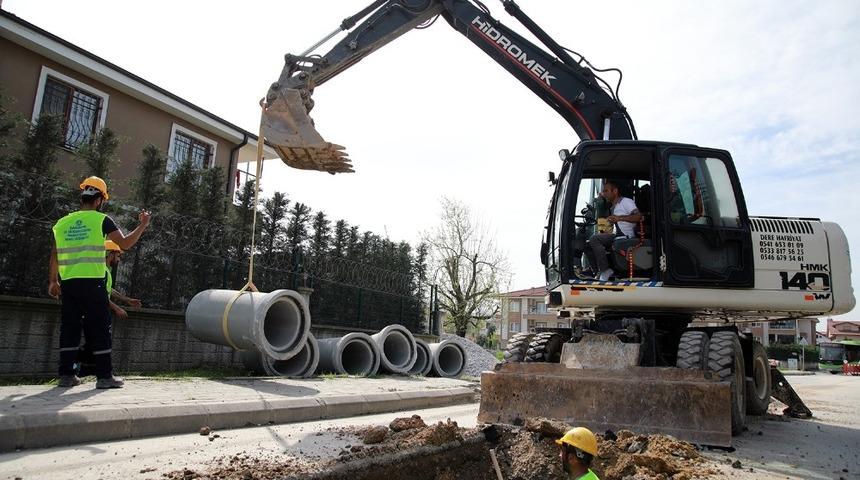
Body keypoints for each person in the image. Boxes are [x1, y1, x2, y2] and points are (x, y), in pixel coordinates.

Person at [48, 176, 150, 389]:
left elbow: (54, 255)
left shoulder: (62, 224)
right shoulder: (101, 220)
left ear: (82, 197)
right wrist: (142, 225)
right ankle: (104, 377)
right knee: (100, 328)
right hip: (93, 283)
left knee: (70, 328)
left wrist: (53, 281)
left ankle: (66, 375)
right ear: (99, 201)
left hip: (69, 284)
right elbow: (126, 243)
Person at [74, 240, 142, 378]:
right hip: (96, 311)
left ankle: (87, 369)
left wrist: (127, 300)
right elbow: (101, 295)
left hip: (98, 311)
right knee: (100, 341)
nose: (119, 259)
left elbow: (109, 290)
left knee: (95, 341)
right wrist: (117, 308)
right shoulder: (100, 271)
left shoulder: (104, 270)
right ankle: (75, 362)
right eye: (118, 255)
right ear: (110, 254)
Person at [584, 180, 641, 281]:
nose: (603, 194)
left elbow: (638, 216)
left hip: (626, 237)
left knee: (594, 239)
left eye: (606, 191)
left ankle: (606, 270)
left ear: (615, 191)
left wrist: (619, 218)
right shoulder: (612, 207)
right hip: (617, 235)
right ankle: (598, 271)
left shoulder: (626, 202)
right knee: (587, 244)